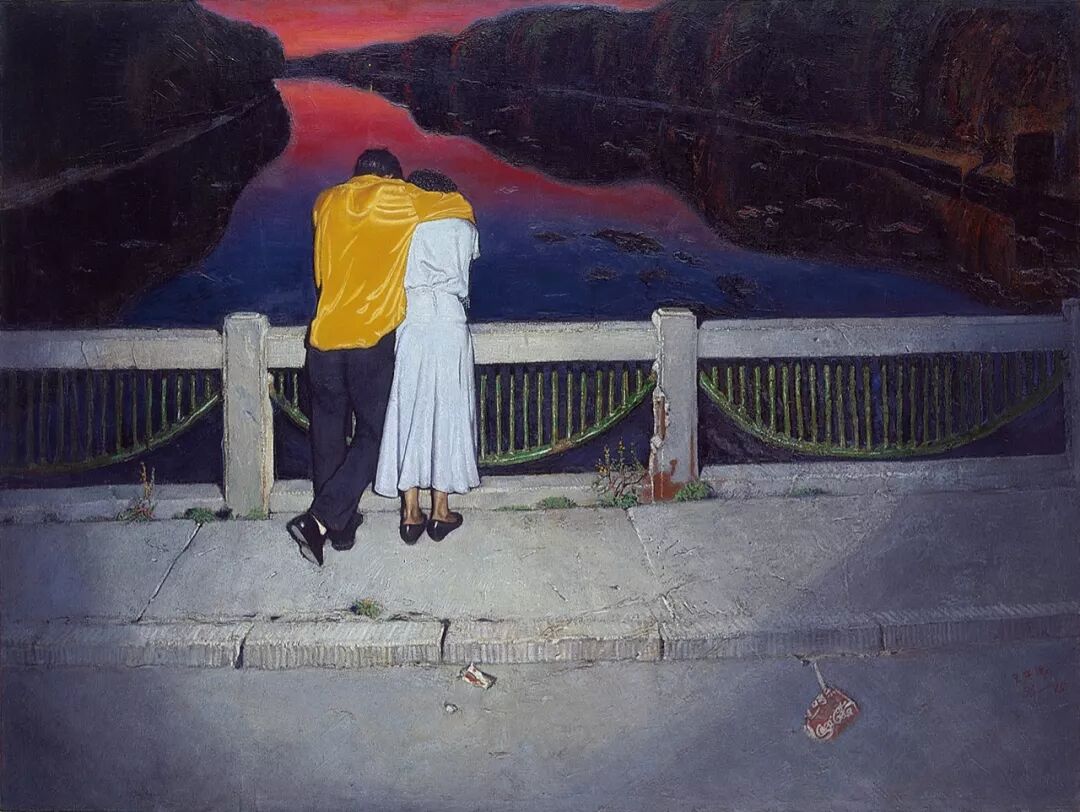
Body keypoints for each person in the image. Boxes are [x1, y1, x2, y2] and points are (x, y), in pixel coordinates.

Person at [287, 150, 475, 565]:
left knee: (327, 435)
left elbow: (321, 273)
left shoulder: (325, 201)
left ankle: (339, 531)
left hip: (323, 338)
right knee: (376, 434)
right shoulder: (396, 196)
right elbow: (454, 204)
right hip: (368, 340)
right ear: (390, 177)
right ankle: (319, 519)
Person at [375, 169, 480, 544]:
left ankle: (410, 513)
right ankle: (440, 511)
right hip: (450, 322)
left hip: (413, 320)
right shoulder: (465, 224)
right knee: (448, 410)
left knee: (409, 409)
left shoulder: (404, 223)